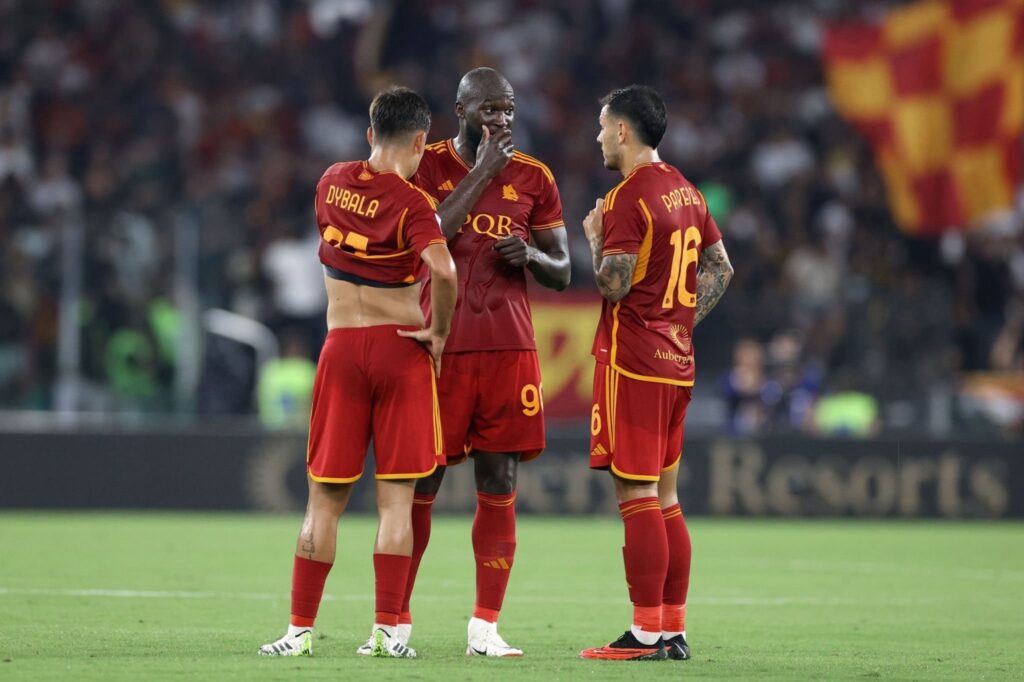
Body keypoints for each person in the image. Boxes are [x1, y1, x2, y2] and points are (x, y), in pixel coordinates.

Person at [363, 67, 570, 658]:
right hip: (440, 346)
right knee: (422, 481)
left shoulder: (536, 177)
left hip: (509, 350)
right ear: (460, 111)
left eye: (508, 109)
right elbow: (428, 236)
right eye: (489, 109)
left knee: (499, 480)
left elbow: (563, 273)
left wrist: (529, 253)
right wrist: (483, 172)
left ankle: (485, 626)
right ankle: (394, 624)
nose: (501, 120)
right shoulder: (422, 166)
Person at [258, 86, 457, 659]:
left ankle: (297, 632)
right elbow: (443, 272)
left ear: (371, 133)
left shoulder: (330, 181)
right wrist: (438, 331)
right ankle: (389, 634)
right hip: (402, 350)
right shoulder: (416, 204)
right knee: (396, 502)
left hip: (342, 346)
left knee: (322, 502)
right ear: (421, 141)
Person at [579, 85, 733, 661]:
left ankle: (644, 634)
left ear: (623, 130)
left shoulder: (627, 198)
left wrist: (594, 242)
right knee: (667, 497)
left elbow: (614, 284)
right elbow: (721, 267)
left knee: (637, 494)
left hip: (634, 364)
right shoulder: (687, 191)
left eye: (601, 126)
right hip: (678, 364)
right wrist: (679, 322)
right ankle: (672, 629)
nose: (597, 136)